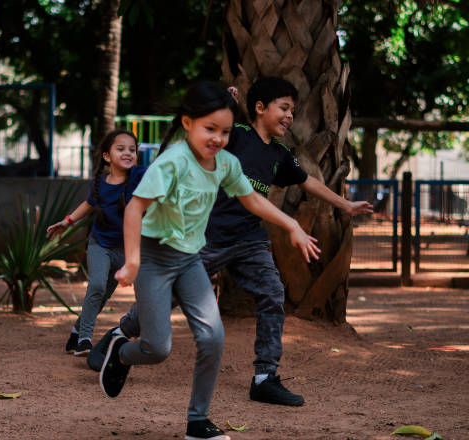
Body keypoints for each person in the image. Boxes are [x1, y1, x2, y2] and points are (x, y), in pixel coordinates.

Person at [89, 77, 373, 407]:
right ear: (260, 108)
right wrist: (222, 101)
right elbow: (201, 135)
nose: (290, 116)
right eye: (284, 108)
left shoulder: (280, 155)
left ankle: (265, 377)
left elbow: (307, 182)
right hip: (208, 238)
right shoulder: (235, 136)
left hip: (251, 240)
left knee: (272, 292)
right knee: (168, 297)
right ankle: (121, 334)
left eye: (293, 111)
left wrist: (345, 204)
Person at [47, 129, 146, 357]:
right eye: (120, 149)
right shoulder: (99, 184)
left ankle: (75, 332)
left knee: (101, 296)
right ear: (107, 156)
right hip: (100, 245)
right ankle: (84, 340)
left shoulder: (139, 176)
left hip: (126, 250)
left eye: (132, 149)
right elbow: (88, 204)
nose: (128, 153)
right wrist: (67, 221)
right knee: (97, 287)